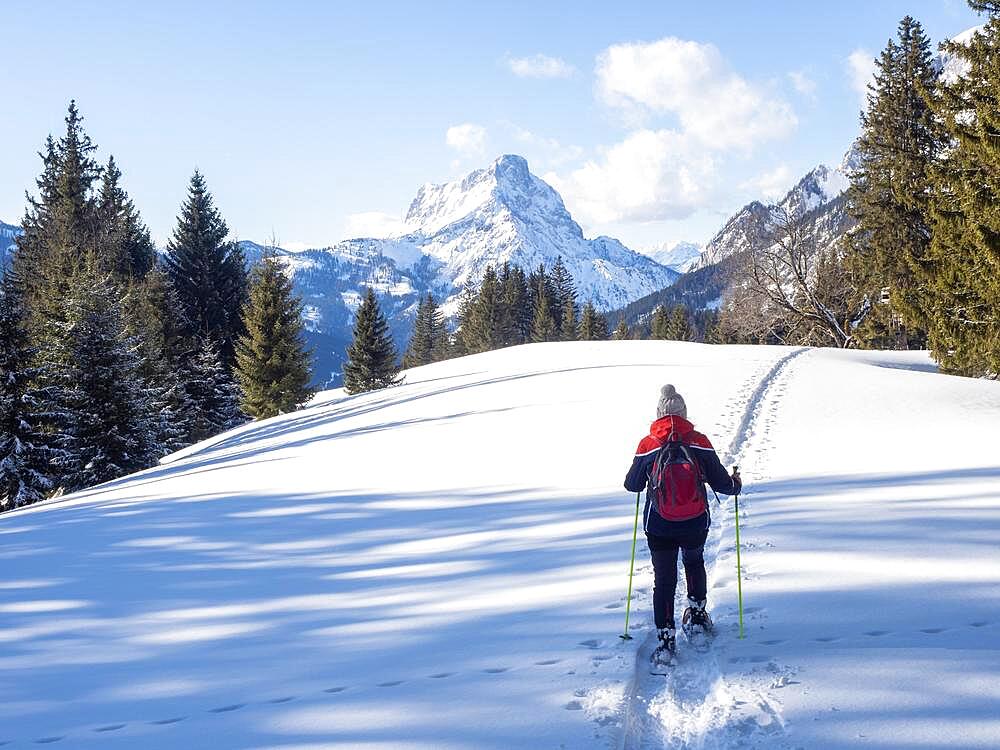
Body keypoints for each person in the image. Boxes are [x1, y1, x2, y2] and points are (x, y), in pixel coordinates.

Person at [624, 384, 741, 658]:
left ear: (659, 414)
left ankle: (666, 639)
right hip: (694, 521)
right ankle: (697, 618)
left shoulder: (649, 444)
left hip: (659, 525)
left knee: (664, 579)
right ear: (684, 413)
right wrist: (736, 484)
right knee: (694, 562)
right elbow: (722, 484)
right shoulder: (698, 440)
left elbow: (632, 485)